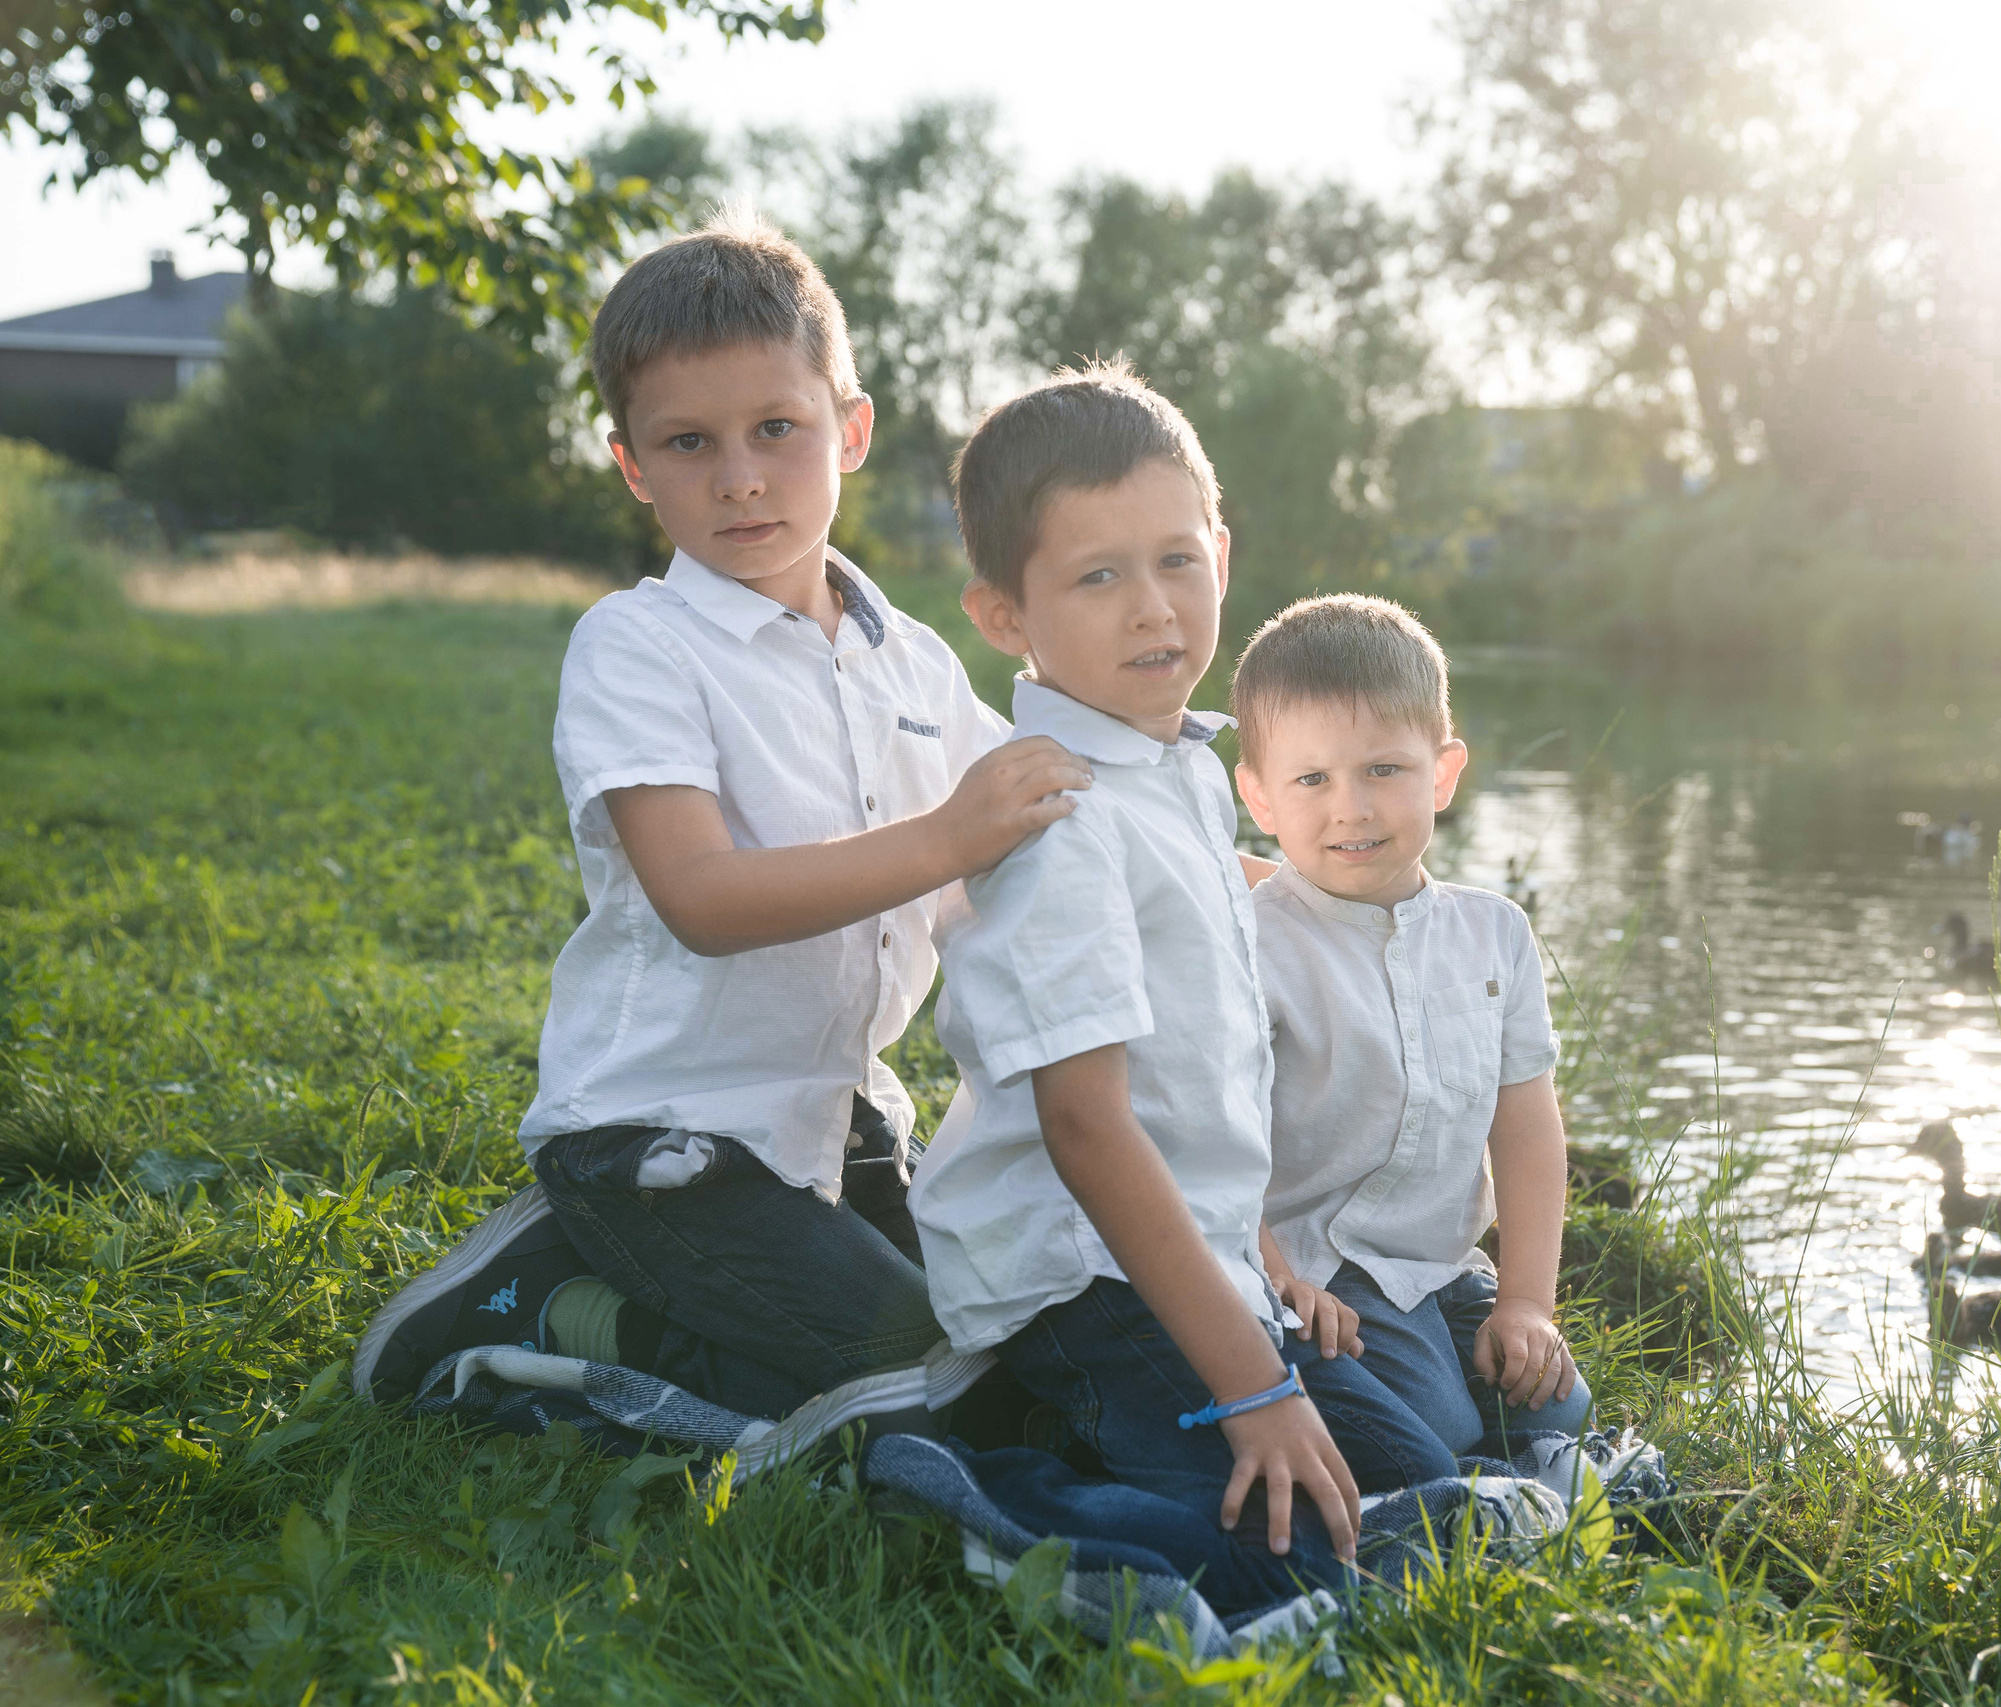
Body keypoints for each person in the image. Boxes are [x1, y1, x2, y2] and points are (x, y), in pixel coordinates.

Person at [353, 212, 1091, 1421]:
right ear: (633, 465)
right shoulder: (638, 644)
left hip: (839, 1134)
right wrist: (948, 837)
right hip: (658, 1145)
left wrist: (1269, 871)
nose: (740, 477)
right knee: (930, 1383)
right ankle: (535, 1305)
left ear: (849, 428)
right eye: (689, 443)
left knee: (1019, 1332)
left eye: (777, 430)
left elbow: (1048, 820)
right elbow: (698, 897)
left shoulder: (908, 660)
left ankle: (715, 1289)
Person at [909, 359, 1464, 1614]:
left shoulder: (1183, 766)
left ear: (1221, 548)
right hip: (1078, 1276)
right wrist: (1252, 1387)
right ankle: (996, 1490)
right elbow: (1087, 1125)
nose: (1153, 610)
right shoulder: (1060, 815)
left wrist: (1253, 1258)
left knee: (1417, 1487)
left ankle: (1134, 1437)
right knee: (1301, 1562)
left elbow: (1191, 1034)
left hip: (1204, 1258)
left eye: (1175, 561)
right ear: (1004, 615)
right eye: (1096, 577)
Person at [1232, 594, 1593, 1458]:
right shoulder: (1250, 939)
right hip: (1309, 1271)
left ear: (1442, 772)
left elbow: (1526, 1127)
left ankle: (1482, 1424)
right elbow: (1212, 1138)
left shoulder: (1493, 931)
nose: (1351, 808)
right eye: (1312, 779)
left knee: (1556, 1407)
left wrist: (1525, 1302)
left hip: (1434, 1265)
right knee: (1438, 1431)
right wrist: (1277, 1276)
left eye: (1383, 770)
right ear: (1260, 797)